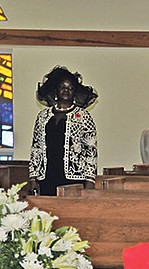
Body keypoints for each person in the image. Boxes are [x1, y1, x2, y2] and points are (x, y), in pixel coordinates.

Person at [29, 66, 99, 196]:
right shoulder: (42, 116)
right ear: (56, 90)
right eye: (63, 87)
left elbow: (91, 150)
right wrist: (33, 178)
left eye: (70, 88)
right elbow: (36, 149)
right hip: (46, 177)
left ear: (75, 92)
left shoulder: (84, 116)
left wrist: (90, 180)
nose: (66, 90)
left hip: (74, 179)